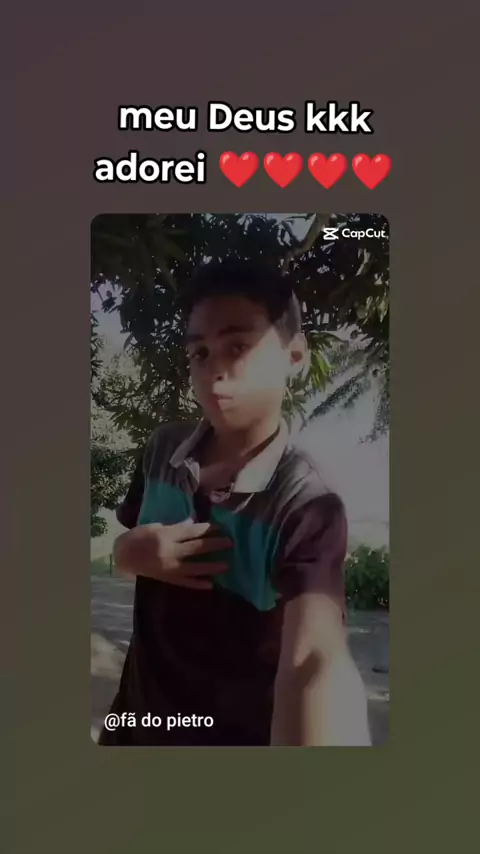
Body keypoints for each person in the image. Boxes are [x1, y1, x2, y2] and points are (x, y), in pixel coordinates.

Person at [98, 260, 371, 747]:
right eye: (200, 352)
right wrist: (128, 553)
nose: (215, 371)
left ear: (295, 356)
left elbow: (314, 659)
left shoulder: (305, 504)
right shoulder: (162, 451)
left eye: (238, 347)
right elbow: (128, 549)